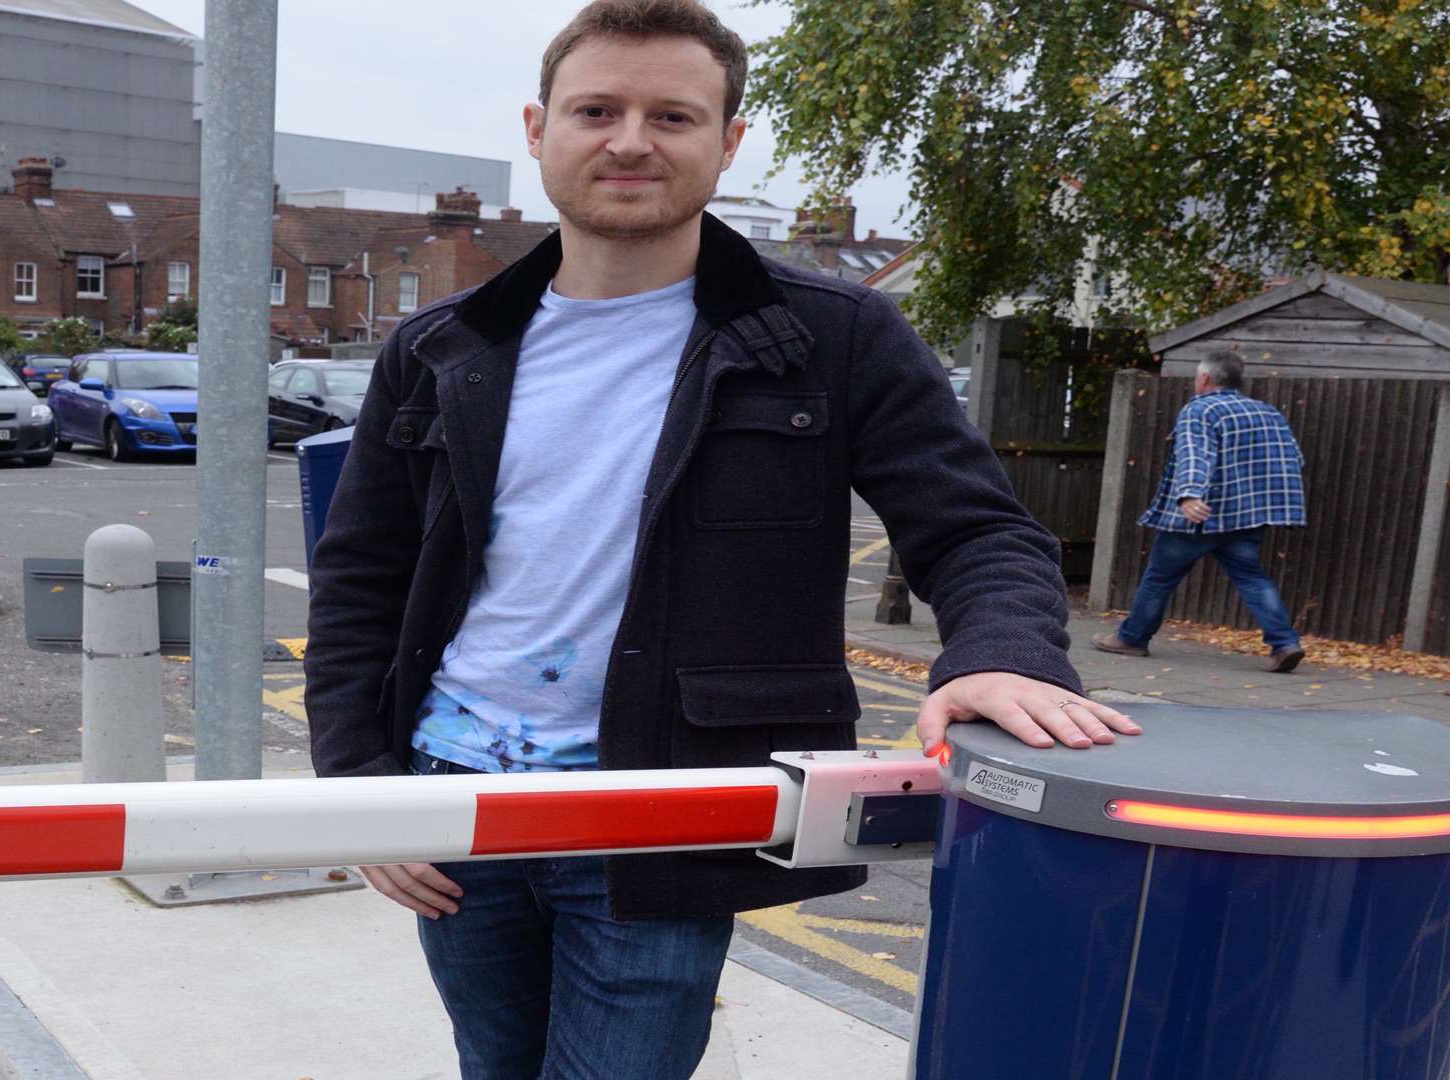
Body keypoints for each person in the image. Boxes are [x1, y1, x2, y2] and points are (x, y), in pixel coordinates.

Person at [302, 2, 1139, 1076]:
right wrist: (362, 774)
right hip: (460, 799)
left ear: (729, 140)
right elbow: (362, 572)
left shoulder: (833, 338)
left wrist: (1002, 654)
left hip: (667, 804)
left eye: (673, 115)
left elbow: (976, 529)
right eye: (596, 109)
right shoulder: (440, 345)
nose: (631, 140)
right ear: (537, 127)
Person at [1092, 354, 1308, 672]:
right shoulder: (1268, 412)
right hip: (1248, 518)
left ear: (1205, 379)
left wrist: (1189, 495)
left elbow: (1195, 454)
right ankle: (1284, 644)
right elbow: (1294, 460)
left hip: (1201, 517)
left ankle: (1133, 639)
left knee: (1158, 579)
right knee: (1252, 578)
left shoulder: (1200, 409)